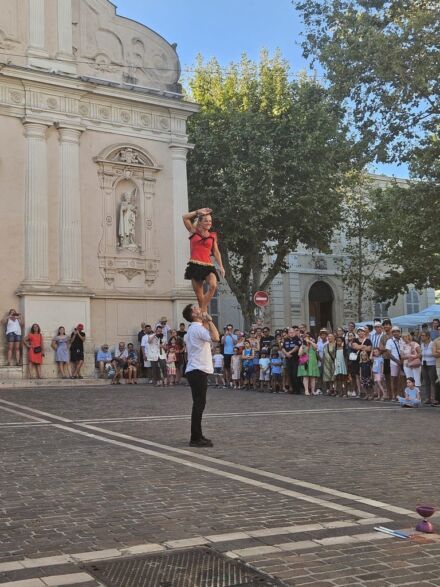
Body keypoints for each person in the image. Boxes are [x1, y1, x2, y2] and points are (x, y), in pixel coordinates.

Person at [182, 304, 219, 447]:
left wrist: (205, 322)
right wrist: (209, 320)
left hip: (195, 369)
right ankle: (195, 438)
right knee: (199, 404)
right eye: (196, 308)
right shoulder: (197, 328)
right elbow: (216, 337)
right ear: (193, 314)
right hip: (198, 369)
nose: (199, 309)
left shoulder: (193, 329)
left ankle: (197, 435)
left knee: (198, 404)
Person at [182, 208, 225, 312]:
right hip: (195, 265)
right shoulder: (193, 231)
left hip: (208, 266)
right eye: (206, 220)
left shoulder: (213, 235)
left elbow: (216, 252)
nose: (209, 223)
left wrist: (221, 266)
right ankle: (204, 315)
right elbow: (184, 217)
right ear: (200, 222)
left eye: (210, 221)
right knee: (200, 298)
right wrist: (198, 212)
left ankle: (201, 310)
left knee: (213, 285)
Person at [385, 326, 404, 401]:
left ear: (399, 332)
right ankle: (394, 395)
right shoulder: (389, 341)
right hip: (393, 362)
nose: (395, 333)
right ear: (392, 333)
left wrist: (402, 361)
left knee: (402, 379)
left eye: (397, 331)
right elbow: (388, 353)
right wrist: (397, 361)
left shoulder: (402, 340)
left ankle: (401, 394)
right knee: (394, 379)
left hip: (403, 362)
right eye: (394, 332)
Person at [420, 331, 438, 405]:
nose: (422, 337)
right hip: (424, 365)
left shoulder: (432, 344)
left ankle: (434, 398)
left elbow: (433, 353)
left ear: (428, 336)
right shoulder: (422, 344)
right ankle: (428, 398)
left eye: (423, 335)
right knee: (426, 382)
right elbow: (422, 354)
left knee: (433, 382)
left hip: (432, 365)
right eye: (421, 335)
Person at [282, 326, 301, 394]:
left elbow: (297, 347)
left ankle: (298, 389)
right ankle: (292, 388)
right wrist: (286, 354)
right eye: (290, 332)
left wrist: (289, 353)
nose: (291, 333)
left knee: (295, 374)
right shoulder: (286, 339)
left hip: (295, 359)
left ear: (295, 332)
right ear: (288, 333)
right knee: (289, 375)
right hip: (288, 359)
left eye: (292, 332)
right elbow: (283, 348)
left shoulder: (297, 339)